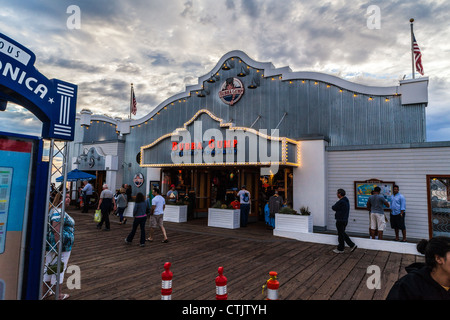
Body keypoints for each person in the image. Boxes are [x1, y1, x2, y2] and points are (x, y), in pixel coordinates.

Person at [43, 193, 75, 300]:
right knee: (59, 269)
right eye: (66, 197)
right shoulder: (59, 211)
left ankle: (46, 292)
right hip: (60, 246)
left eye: (69, 197)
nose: (68, 199)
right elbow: (55, 229)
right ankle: (59, 294)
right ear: (60, 199)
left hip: (52, 245)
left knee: (49, 267)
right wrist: (59, 246)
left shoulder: (54, 210)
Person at [332, 189, 357, 254]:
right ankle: (345, 247)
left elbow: (334, 207)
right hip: (345, 220)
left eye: (337, 193)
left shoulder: (341, 201)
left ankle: (345, 247)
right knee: (342, 234)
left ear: (340, 194)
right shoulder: (346, 200)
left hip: (340, 220)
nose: (337, 194)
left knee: (341, 234)